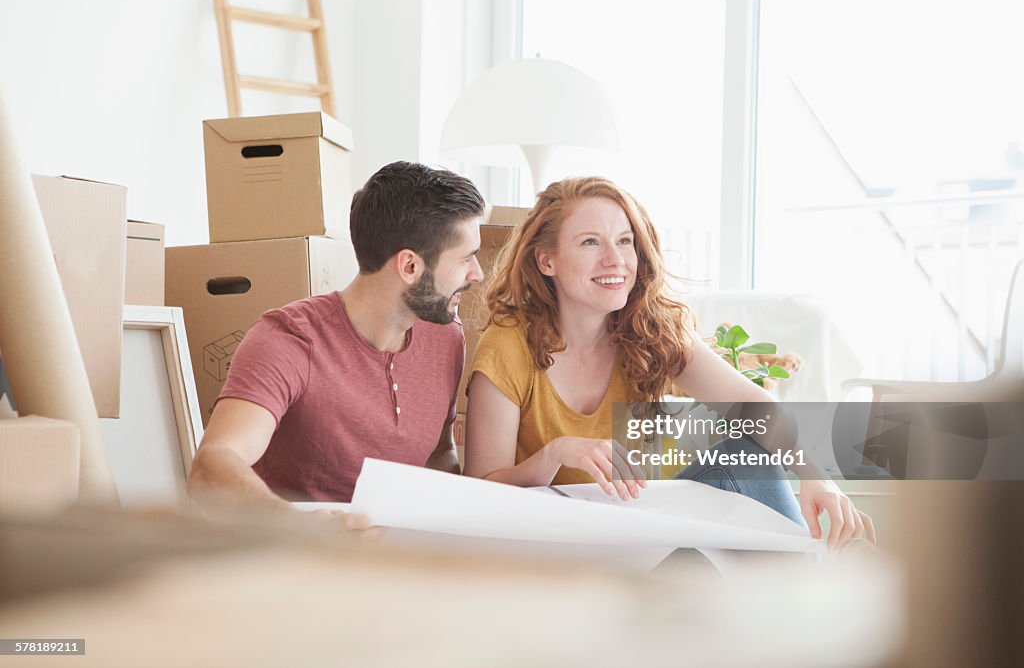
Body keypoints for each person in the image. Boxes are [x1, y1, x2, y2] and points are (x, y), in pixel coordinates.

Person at [463, 176, 875, 551]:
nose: (615, 260)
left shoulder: (650, 329)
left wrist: (815, 477)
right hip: (555, 545)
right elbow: (479, 492)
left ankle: (798, 594)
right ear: (546, 261)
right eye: (590, 242)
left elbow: (755, 406)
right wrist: (556, 455)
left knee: (746, 454)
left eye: (625, 241)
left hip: (640, 535)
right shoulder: (508, 346)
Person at [188, 161, 486, 528]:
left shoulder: (445, 336)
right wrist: (304, 529)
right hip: (292, 560)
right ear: (409, 266)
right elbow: (212, 465)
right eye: (466, 258)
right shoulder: (289, 340)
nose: (478, 273)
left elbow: (440, 453)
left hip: (394, 561)